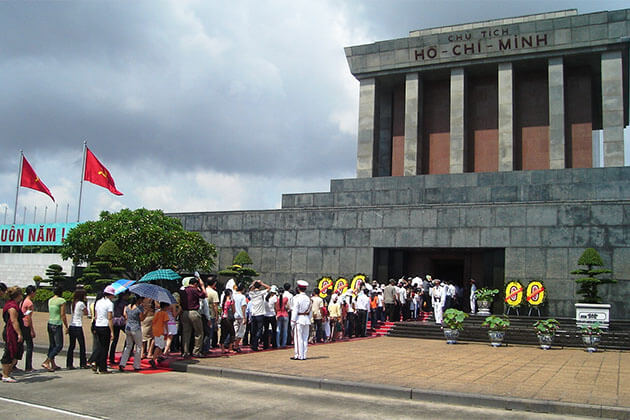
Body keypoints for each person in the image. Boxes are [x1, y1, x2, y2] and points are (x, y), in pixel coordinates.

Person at [42, 286, 68, 372]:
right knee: (59, 345)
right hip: (57, 323)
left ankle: (53, 364)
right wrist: (66, 326)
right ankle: (47, 361)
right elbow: (62, 314)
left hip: (50, 323)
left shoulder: (50, 300)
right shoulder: (62, 301)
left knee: (52, 345)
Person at [2, 286, 25, 382]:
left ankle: (7, 372)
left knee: (17, 353)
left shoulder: (14, 304)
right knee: (10, 352)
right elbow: (14, 321)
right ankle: (5, 375)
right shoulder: (12, 307)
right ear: (18, 295)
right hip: (10, 332)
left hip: (12, 331)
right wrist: (19, 333)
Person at [118, 295, 146, 372]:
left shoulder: (127, 307)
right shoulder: (139, 308)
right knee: (138, 346)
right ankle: (136, 365)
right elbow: (141, 318)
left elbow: (125, 315)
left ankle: (122, 363)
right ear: (139, 300)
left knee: (128, 346)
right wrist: (145, 312)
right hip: (136, 328)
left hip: (128, 327)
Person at [179, 277, 206, 358]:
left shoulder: (183, 290)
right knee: (199, 333)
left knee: (186, 333)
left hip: (184, 312)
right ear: (195, 284)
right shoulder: (194, 290)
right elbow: (204, 295)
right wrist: (202, 286)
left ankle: (185, 352)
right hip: (193, 312)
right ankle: (196, 351)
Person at [92, 285, 115, 374]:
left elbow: (96, 315)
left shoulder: (98, 302)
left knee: (99, 346)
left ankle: (96, 363)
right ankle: (102, 368)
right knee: (105, 348)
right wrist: (112, 332)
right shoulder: (110, 304)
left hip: (98, 325)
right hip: (105, 326)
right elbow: (109, 318)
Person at [67, 286, 88, 369]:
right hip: (78, 326)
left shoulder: (73, 303)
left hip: (72, 325)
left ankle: (69, 363)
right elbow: (86, 313)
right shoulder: (81, 304)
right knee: (82, 345)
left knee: (71, 345)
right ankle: (83, 363)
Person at [290, 280, 311, 361]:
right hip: (306, 319)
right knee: (305, 338)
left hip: (299, 319)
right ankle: (304, 355)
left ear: (298, 288)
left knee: (298, 338)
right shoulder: (308, 298)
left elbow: (294, 310)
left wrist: (292, 321)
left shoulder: (296, 298)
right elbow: (310, 311)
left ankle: (298, 355)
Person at [248, 280, 271, 351]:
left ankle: (253, 344)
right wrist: (262, 283)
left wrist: (254, 282)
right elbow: (269, 288)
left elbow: (249, 288)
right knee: (260, 330)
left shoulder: (251, 293)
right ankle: (255, 343)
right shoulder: (261, 293)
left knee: (253, 330)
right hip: (260, 314)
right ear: (260, 286)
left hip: (253, 314)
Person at [109, 291, 128, 365]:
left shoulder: (115, 302)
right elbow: (124, 313)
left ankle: (111, 357)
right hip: (122, 321)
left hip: (115, 321)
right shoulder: (125, 303)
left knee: (115, 340)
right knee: (129, 336)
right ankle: (125, 354)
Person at [20, 285, 36, 372]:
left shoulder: (22, 301)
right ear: (32, 292)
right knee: (30, 346)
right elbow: (28, 317)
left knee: (20, 345)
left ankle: (13, 364)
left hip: (21, 324)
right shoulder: (29, 303)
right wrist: (32, 330)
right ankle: (28, 366)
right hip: (26, 324)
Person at [150, 302, 170, 368]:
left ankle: (159, 356)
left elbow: (153, 322)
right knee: (159, 346)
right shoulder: (164, 314)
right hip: (161, 331)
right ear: (165, 307)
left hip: (156, 330)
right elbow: (165, 323)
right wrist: (167, 331)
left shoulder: (157, 313)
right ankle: (153, 359)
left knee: (160, 344)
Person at [232, 283, 247, 353]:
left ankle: (233, 344)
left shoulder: (233, 296)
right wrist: (244, 317)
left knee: (235, 330)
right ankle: (236, 345)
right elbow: (243, 307)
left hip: (234, 315)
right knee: (241, 332)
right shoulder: (242, 297)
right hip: (241, 315)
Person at [205, 278, 220, 350]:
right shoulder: (214, 293)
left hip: (203, 313)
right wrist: (217, 315)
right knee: (209, 332)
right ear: (214, 283)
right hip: (211, 314)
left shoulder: (203, 290)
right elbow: (215, 305)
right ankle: (206, 348)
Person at [219, 289, 235, 354]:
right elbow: (234, 310)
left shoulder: (223, 301)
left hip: (223, 318)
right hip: (229, 318)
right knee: (232, 333)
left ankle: (222, 348)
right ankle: (230, 348)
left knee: (223, 333)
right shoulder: (231, 301)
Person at [275, 283, 290, 348]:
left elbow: (275, 308)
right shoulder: (286, 298)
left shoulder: (276, 299)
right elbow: (288, 307)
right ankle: (284, 344)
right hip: (285, 315)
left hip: (278, 315)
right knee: (285, 330)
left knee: (278, 330)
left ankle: (278, 344)